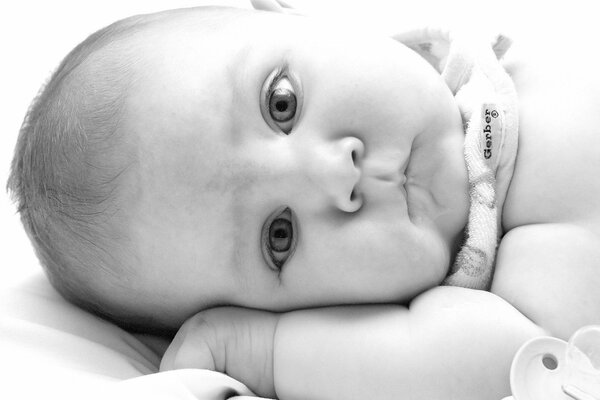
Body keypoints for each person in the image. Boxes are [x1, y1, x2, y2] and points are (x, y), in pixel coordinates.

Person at [7, 4, 600, 400]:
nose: (332, 176)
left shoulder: (512, 68)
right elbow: (505, 358)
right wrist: (262, 353)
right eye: (279, 237)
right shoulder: (510, 307)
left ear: (295, 16)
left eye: (282, 103)